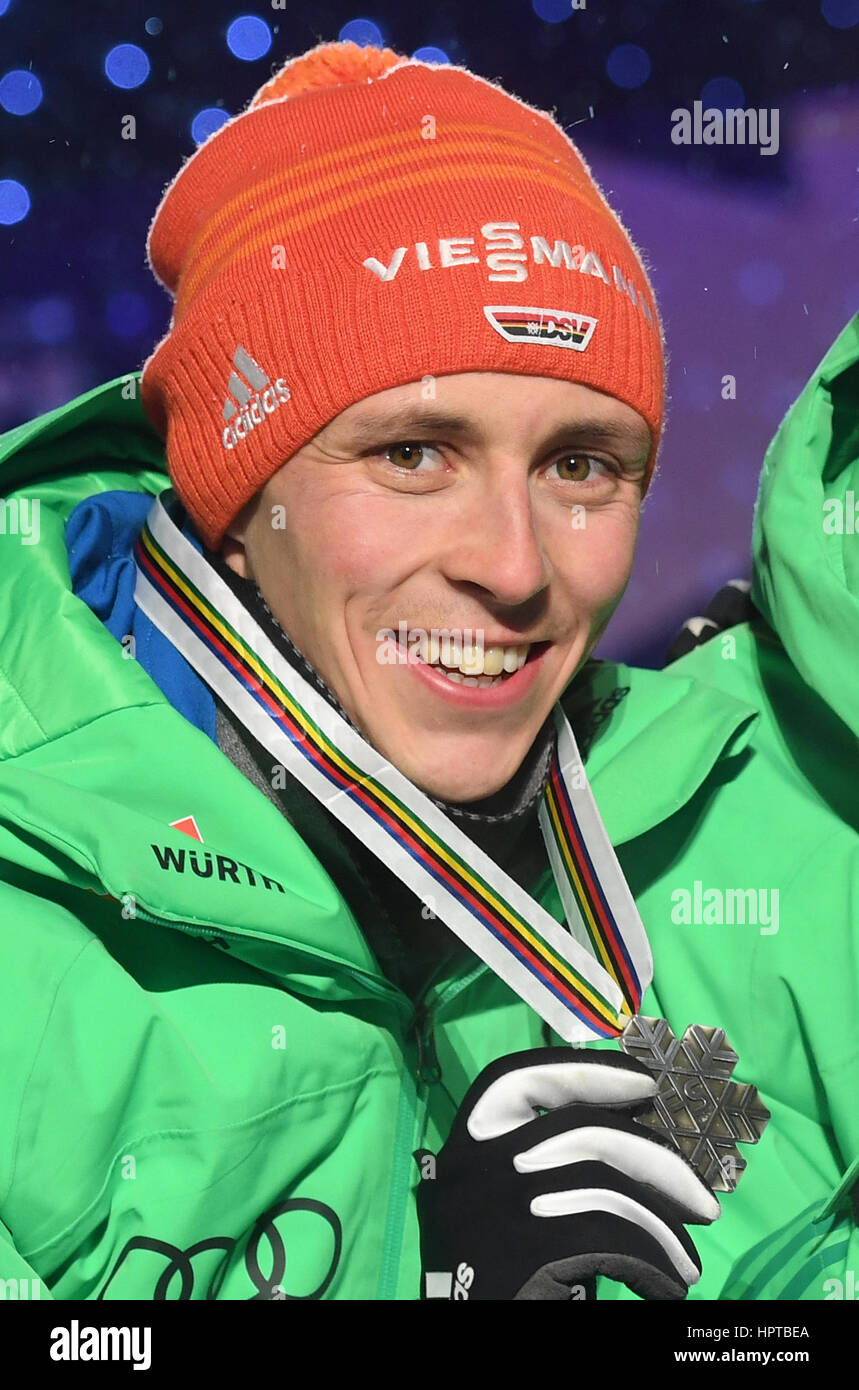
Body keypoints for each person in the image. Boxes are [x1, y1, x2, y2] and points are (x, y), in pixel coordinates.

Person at [0, 38, 854, 1302]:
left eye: (580, 465)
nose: (514, 567)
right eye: (413, 453)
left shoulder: (761, 822)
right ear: (234, 500)